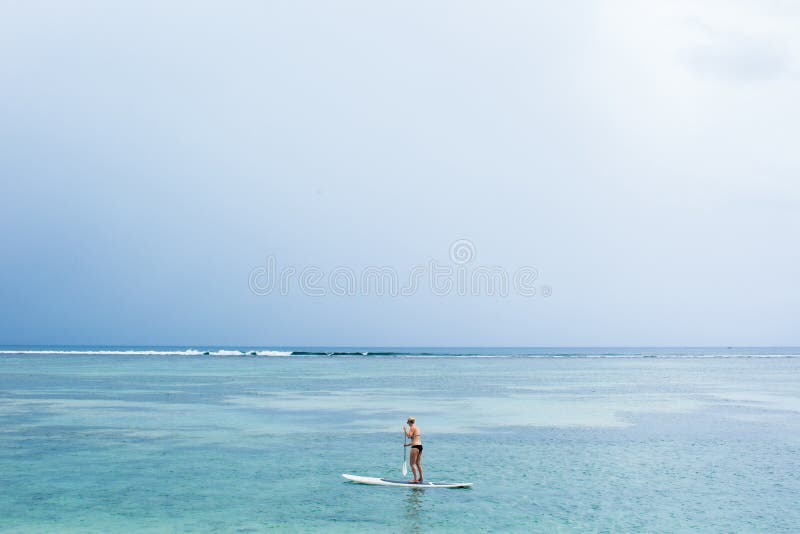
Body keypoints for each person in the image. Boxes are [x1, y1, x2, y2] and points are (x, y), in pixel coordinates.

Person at [404, 417, 423, 483]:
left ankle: (415, 479)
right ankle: (421, 478)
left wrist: (405, 430)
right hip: (420, 446)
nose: (408, 424)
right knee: (418, 463)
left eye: (408, 422)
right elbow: (415, 440)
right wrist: (407, 445)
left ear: (409, 422)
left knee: (412, 464)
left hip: (415, 447)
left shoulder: (412, 428)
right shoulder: (417, 428)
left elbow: (409, 436)